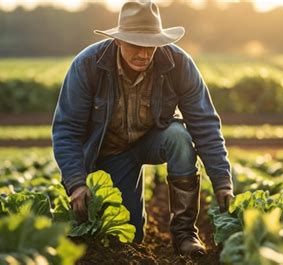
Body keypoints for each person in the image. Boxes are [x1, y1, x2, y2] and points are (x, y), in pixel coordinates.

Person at [52, 0, 234, 256]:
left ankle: (184, 233)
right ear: (118, 41)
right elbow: (66, 129)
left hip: (152, 138)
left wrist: (222, 181)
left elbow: (204, 123)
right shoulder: (88, 65)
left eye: (151, 46)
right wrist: (76, 182)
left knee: (179, 137)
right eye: (135, 44)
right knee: (128, 237)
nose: (144, 53)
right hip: (110, 152)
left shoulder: (178, 64)